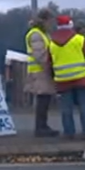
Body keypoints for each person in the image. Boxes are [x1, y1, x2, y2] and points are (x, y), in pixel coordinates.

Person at [48, 15, 85, 139]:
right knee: (84, 105)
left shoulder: (51, 42)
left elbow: (49, 62)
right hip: (81, 77)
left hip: (62, 79)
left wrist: (53, 75)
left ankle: (69, 132)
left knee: (66, 107)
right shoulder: (79, 39)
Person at [25, 9, 59, 137]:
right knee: (42, 99)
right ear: (44, 20)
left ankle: (43, 126)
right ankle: (40, 127)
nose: (51, 24)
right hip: (40, 71)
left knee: (45, 99)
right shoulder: (36, 34)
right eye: (50, 21)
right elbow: (40, 54)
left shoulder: (41, 34)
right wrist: (50, 67)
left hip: (41, 71)